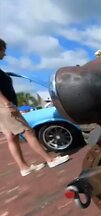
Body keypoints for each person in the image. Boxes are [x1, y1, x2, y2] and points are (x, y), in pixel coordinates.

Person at [0, 38, 70, 176]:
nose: (5, 54)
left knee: (11, 137)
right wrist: (7, 104)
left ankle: (24, 168)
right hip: (4, 107)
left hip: (1, 108)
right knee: (29, 132)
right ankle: (50, 159)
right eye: (3, 51)